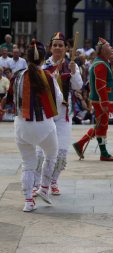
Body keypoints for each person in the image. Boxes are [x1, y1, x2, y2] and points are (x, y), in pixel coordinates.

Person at [6, 39, 62, 211]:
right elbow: (58, 101)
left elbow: (9, 99)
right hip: (43, 125)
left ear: (27, 57)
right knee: (52, 154)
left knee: (28, 163)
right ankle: (44, 187)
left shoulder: (17, 76)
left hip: (21, 126)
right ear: (43, 58)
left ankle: (28, 201)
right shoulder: (48, 77)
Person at [32, 32, 84, 196]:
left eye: (61, 45)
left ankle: (53, 181)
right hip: (47, 113)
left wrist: (74, 72)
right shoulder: (44, 67)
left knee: (61, 151)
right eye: (55, 45)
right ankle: (37, 183)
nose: (58, 48)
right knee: (41, 152)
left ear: (66, 48)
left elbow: (78, 87)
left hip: (63, 114)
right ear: (50, 47)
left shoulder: (71, 66)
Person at [72, 37, 113, 162]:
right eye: (109, 46)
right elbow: (100, 86)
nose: (111, 48)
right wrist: (104, 102)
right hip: (100, 100)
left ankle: (82, 144)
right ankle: (102, 153)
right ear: (103, 50)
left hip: (99, 100)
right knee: (102, 125)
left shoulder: (101, 62)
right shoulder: (100, 64)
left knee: (101, 125)